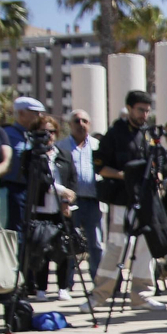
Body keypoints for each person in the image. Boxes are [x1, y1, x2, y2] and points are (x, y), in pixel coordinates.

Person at [90, 89, 165, 311]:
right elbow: (101, 167)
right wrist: (125, 175)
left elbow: (158, 163)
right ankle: (100, 294)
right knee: (116, 245)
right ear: (130, 108)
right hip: (121, 199)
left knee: (145, 248)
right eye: (140, 110)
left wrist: (157, 174)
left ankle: (141, 294)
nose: (144, 115)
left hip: (146, 200)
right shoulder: (115, 134)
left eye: (147, 111)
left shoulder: (148, 135)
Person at [21, 114, 78, 298]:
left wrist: (67, 201)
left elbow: (72, 181)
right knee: (40, 249)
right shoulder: (30, 156)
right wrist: (61, 191)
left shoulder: (64, 155)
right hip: (39, 209)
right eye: (43, 132)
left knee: (63, 248)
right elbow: (39, 181)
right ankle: (40, 287)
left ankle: (63, 286)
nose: (49, 136)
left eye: (52, 132)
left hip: (60, 210)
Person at [59, 111, 102, 278]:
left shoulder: (97, 145)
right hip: (71, 202)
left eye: (85, 121)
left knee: (96, 244)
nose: (81, 124)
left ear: (89, 124)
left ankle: (97, 281)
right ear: (70, 124)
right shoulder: (62, 147)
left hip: (94, 202)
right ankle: (67, 283)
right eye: (77, 121)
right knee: (70, 242)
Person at [0, 96, 42, 231]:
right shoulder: (7, 134)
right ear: (22, 113)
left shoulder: (34, 135)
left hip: (30, 189)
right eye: (35, 113)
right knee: (15, 229)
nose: (39, 116)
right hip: (12, 190)